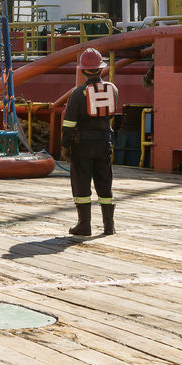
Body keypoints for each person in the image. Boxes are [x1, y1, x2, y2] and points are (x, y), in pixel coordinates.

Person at [60, 47, 120, 236]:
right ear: (101, 69)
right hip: (104, 143)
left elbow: (69, 123)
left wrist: (65, 145)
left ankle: (84, 225)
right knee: (104, 182)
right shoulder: (113, 90)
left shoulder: (78, 94)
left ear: (83, 70)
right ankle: (109, 226)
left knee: (82, 183)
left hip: (82, 145)